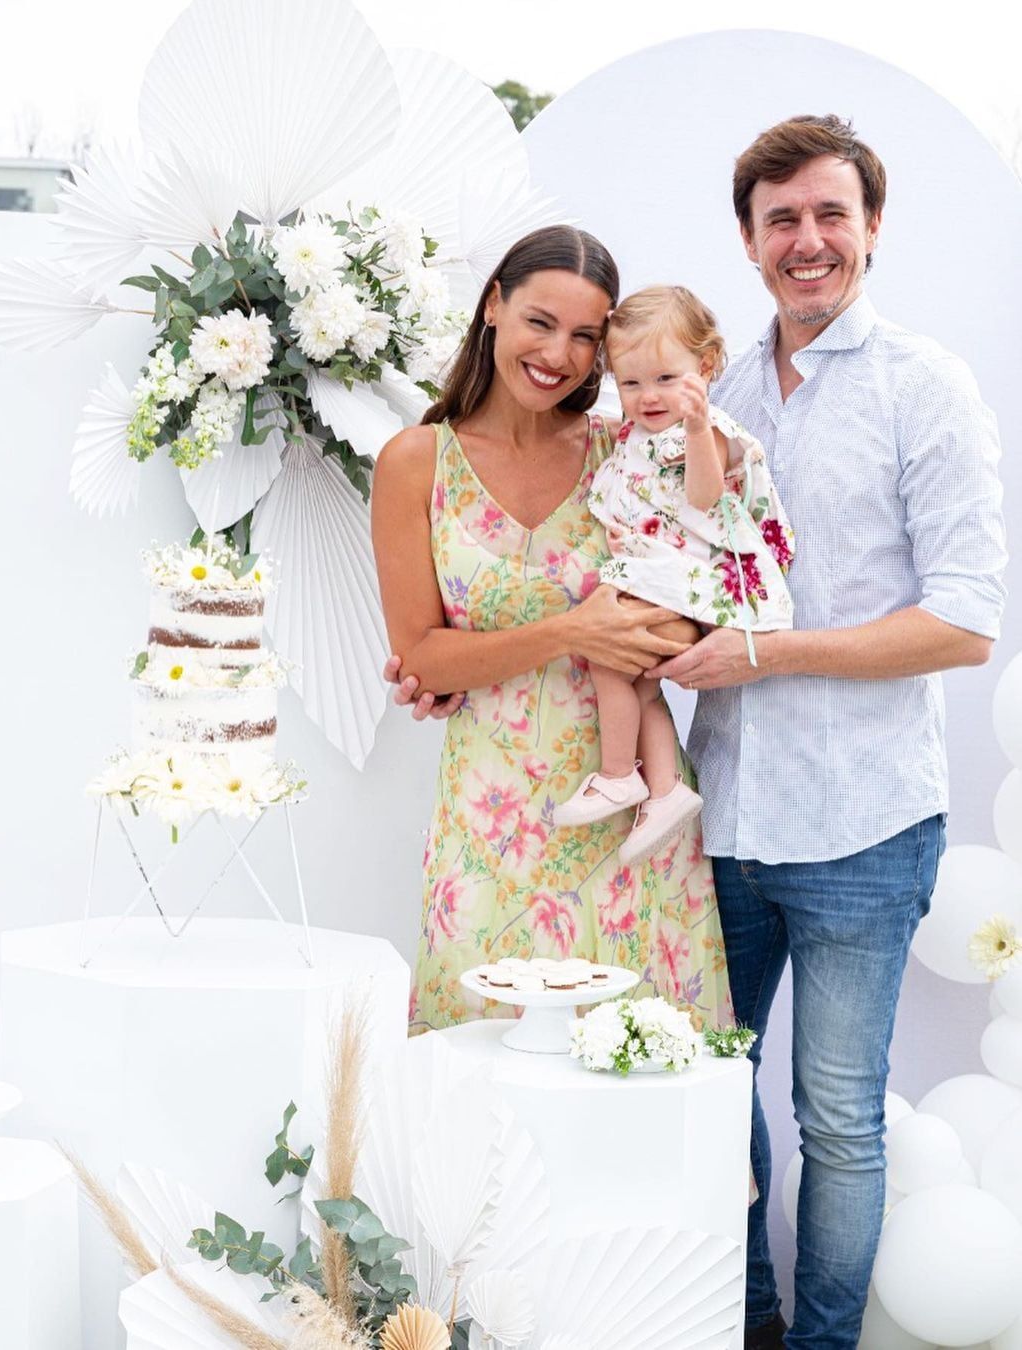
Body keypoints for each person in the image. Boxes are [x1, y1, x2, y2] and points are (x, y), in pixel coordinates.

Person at [655, 116, 1007, 1349]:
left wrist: (768, 650)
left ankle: (823, 1342)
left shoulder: (926, 385)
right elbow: (663, 559)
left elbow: (968, 624)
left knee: (842, 1120)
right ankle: (746, 1322)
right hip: (725, 812)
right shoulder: (716, 390)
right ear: (749, 244)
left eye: (829, 216)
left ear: (870, 230)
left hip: (867, 823)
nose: (808, 242)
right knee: (707, 1092)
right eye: (781, 221)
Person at [371, 225, 735, 1034]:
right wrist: (574, 633)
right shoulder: (416, 461)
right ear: (494, 304)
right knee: (482, 1071)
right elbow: (424, 655)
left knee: (643, 1066)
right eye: (541, 321)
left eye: (586, 337)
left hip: (635, 818)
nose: (560, 355)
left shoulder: (629, 451)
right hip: (488, 819)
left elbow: (704, 573)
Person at [553, 284, 795, 865]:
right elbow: (641, 498)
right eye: (631, 382)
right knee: (639, 683)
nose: (647, 396)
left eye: (665, 379)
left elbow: (705, 497)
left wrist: (693, 428)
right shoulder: (636, 437)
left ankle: (617, 775)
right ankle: (664, 790)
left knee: (608, 655)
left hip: (695, 588)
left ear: (705, 366)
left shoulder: (706, 431)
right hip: (665, 579)